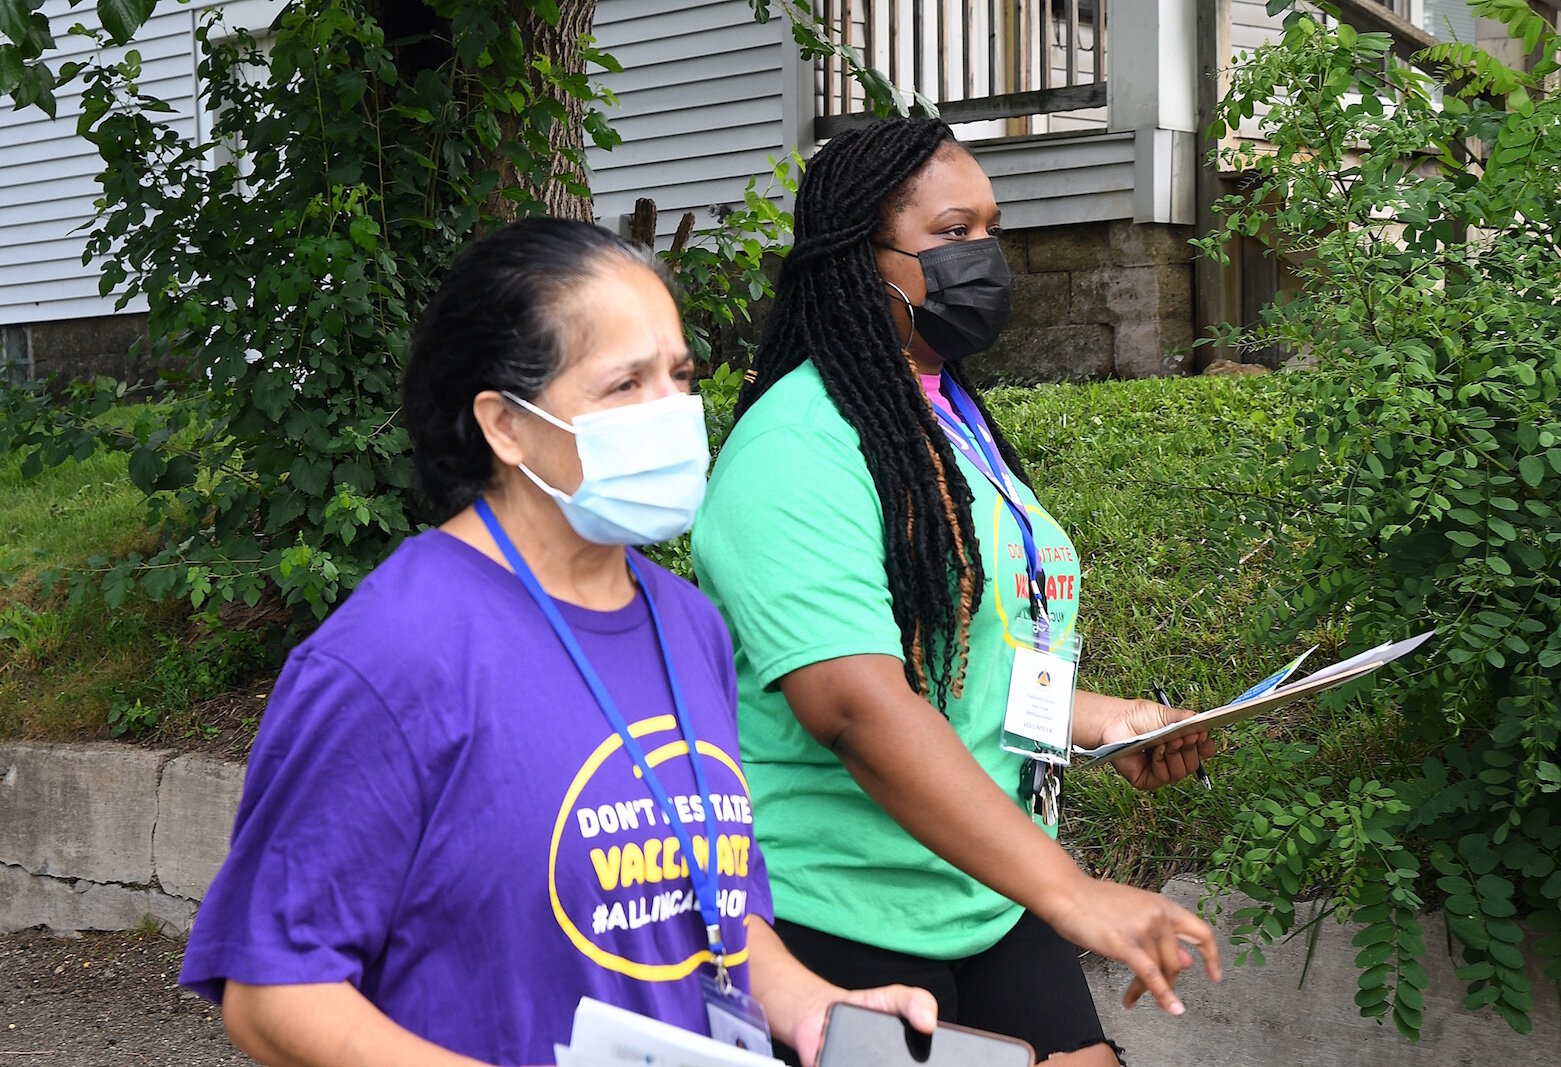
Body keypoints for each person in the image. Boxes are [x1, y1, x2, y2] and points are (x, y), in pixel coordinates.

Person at [179, 218, 934, 1067]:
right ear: (504, 425)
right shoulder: (392, 654)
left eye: (681, 376)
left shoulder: (690, 627)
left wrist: (813, 1006)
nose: (674, 413)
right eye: (625, 385)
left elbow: (717, 917)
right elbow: (275, 994)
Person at [691, 118, 1222, 1065]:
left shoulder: (946, 414)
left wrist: (1103, 719)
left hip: (981, 893)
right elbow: (859, 706)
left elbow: (961, 665)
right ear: (863, 261)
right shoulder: (795, 448)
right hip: (836, 911)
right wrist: (1070, 889)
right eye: (951, 232)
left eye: (990, 228)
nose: (985, 256)